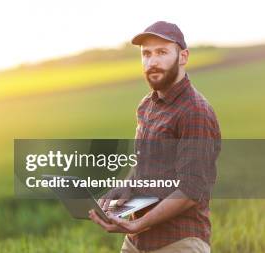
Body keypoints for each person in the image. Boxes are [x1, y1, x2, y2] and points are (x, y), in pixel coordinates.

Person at [88, 21, 221, 253]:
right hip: (136, 242)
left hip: (178, 241)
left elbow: (192, 189)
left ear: (183, 56)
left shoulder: (195, 111)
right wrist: (126, 187)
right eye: (146, 54)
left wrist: (138, 223)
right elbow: (144, 165)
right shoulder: (146, 105)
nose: (153, 61)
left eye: (162, 52)